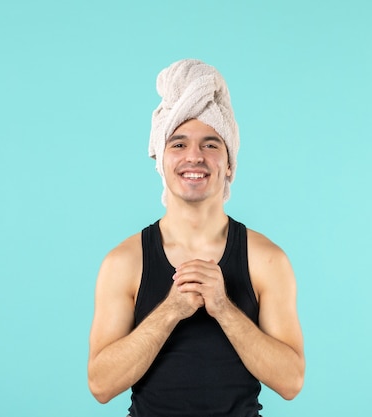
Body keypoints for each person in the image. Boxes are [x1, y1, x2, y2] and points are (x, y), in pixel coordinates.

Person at [87, 59, 305, 417]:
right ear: (161, 160)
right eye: (178, 144)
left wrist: (222, 308)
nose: (194, 157)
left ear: (230, 162)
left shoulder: (266, 260)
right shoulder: (124, 262)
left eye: (210, 145)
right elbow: (101, 385)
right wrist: (171, 309)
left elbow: (291, 381)